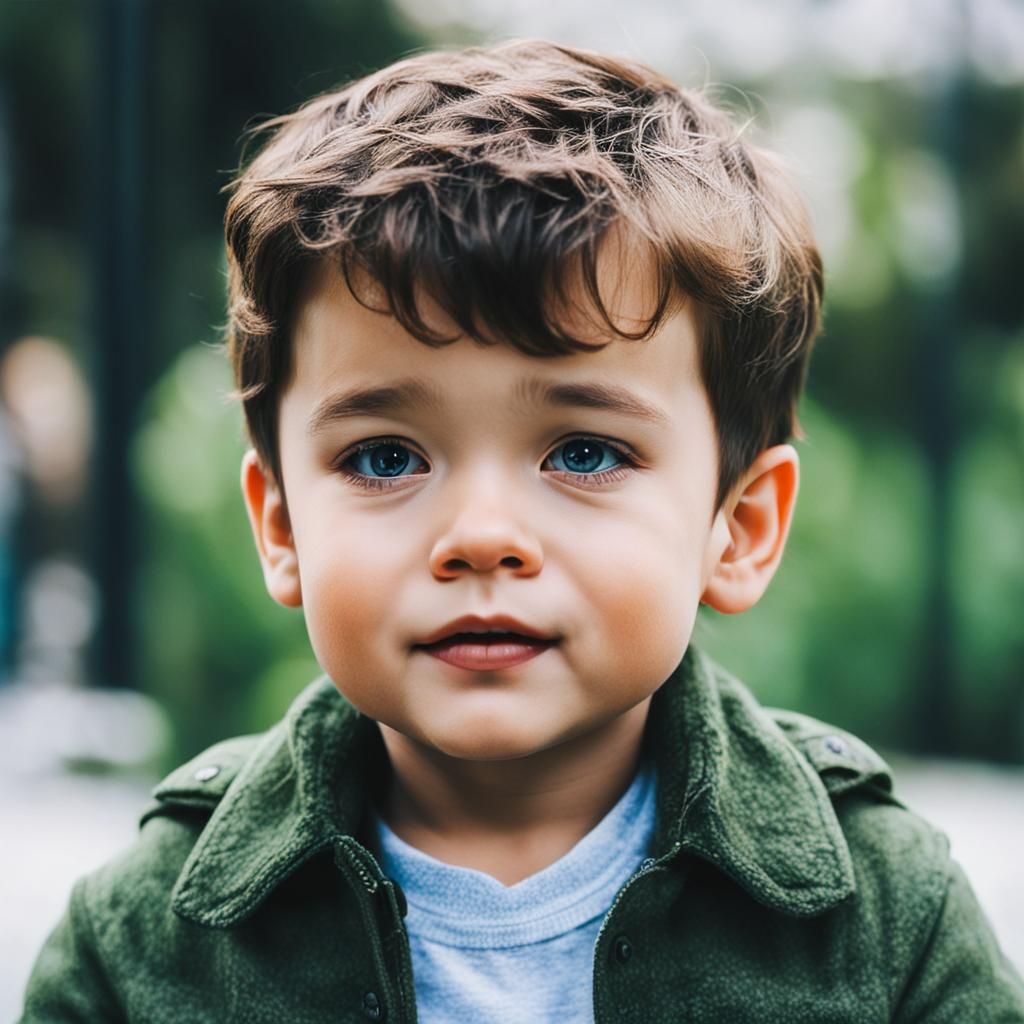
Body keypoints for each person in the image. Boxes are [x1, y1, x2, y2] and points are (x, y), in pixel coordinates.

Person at [20, 39, 1024, 1023]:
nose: (482, 536)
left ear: (739, 526)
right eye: (385, 456)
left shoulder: (887, 921)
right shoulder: (141, 942)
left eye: (583, 453)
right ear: (280, 524)